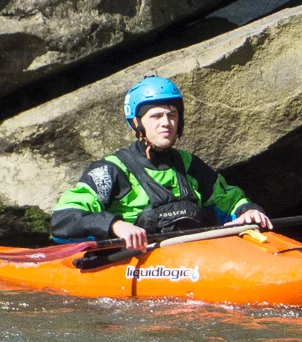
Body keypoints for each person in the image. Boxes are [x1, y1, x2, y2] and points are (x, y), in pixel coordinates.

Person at [51, 76, 272, 251]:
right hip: (138, 262)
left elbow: (232, 201)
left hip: (197, 256)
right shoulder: (111, 171)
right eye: (156, 116)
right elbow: (63, 219)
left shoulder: (190, 165)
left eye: (172, 114)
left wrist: (247, 210)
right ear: (136, 123)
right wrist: (115, 225)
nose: (166, 123)